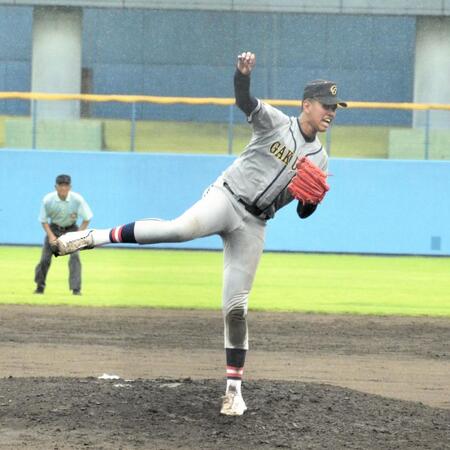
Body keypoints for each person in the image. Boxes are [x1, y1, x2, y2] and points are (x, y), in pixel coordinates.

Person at [52, 51, 346, 415]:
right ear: (307, 105)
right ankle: (93, 237)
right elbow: (244, 101)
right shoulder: (275, 123)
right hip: (226, 197)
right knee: (178, 229)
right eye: (327, 105)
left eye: (336, 107)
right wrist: (242, 75)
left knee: (235, 309)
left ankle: (234, 392)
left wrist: (312, 203)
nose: (332, 112)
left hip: (254, 224)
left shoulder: (321, 160)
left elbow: (302, 211)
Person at [34, 174, 93, 296]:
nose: (63, 188)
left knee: (75, 257)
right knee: (45, 259)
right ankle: (40, 286)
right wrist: (50, 236)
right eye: (60, 185)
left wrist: (77, 235)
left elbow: (87, 218)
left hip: (71, 229)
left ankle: (76, 289)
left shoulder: (77, 200)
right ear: (56, 187)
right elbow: (43, 220)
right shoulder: (48, 200)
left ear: (70, 187)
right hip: (54, 229)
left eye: (66, 185)